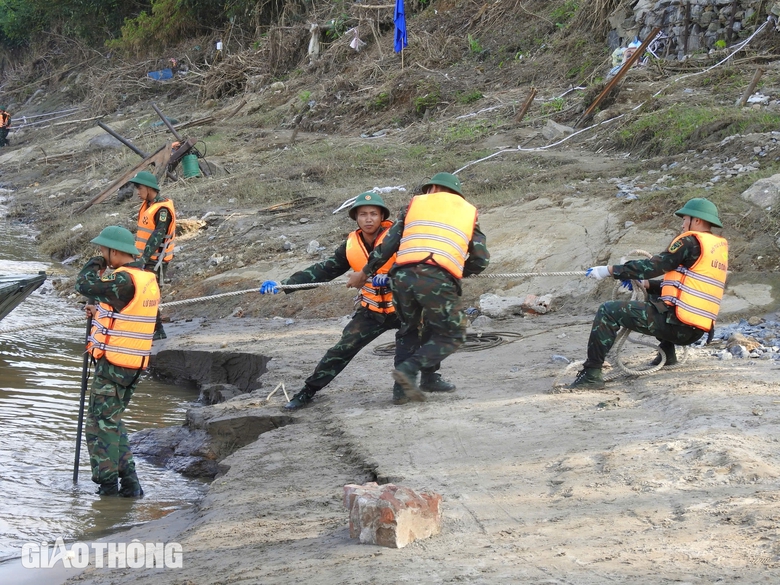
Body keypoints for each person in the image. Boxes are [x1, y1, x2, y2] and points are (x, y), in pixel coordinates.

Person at [260, 192, 454, 409]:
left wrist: (392, 279)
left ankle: (429, 378)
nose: (368, 219)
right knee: (340, 350)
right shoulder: (350, 245)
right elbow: (323, 270)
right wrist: (284, 284)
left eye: (373, 214)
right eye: (363, 214)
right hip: (372, 311)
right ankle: (308, 391)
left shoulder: (400, 239)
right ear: (356, 218)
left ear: (382, 216)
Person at [346, 172, 490, 403]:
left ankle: (406, 390)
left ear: (431, 189)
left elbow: (388, 244)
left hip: (401, 277)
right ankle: (409, 370)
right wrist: (454, 270)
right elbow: (481, 260)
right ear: (457, 194)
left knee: (409, 329)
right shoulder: (467, 212)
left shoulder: (414, 206)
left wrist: (366, 272)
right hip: (436, 277)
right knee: (452, 332)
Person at [568, 197, 728, 390]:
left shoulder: (690, 242)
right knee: (654, 296)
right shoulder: (715, 248)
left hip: (677, 325)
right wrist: (645, 284)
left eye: (685, 218)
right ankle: (667, 354)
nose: (682, 223)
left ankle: (591, 375)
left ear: (697, 221)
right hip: (695, 331)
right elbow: (684, 288)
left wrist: (610, 270)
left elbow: (654, 266)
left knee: (608, 311)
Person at [74, 226, 161, 496]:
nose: (101, 253)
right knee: (112, 422)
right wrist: (98, 309)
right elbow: (123, 312)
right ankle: (131, 486)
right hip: (132, 364)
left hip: (114, 366)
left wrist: (96, 263)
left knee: (99, 427)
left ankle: (108, 489)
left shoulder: (124, 279)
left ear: (115, 251)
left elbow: (84, 284)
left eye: (103, 250)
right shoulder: (145, 278)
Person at [129, 170, 175, 340]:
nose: (138, 192)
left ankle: (158, 330)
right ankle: (150, 327)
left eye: (139, 188)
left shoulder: (162, 210)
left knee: (150, 294)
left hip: (155, 260)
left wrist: (143, 259)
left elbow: (157, 236)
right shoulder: (148, 205)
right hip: (145, 258)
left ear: (148, 188)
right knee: (144, 292)